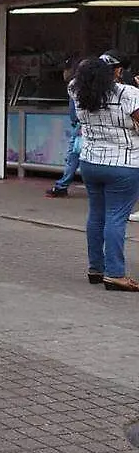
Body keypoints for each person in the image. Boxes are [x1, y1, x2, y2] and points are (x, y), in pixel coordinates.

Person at [73, 52, 139, 291]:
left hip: (90, 163)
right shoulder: (129, 94)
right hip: (124, 164)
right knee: (116, 218)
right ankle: (115, 274)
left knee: (96, 215)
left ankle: (96, 268)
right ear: (117, 72)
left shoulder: (77, 91)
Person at [46, 57, 82, 198]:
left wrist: (78, 124)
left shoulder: (74, 85)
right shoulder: (84, 84)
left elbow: (76, 111)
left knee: (73, 156)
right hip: (83, 126)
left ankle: (62, 186)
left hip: (80, 127)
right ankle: (62, 185)